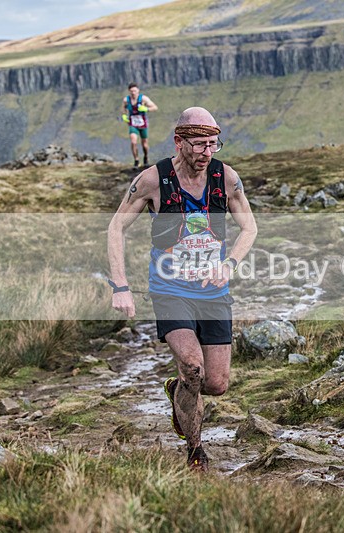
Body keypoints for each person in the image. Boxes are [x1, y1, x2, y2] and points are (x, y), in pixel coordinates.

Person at [108, 107, 257, 471]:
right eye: (200, 145)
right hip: (170, 289)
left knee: (217, 383)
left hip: (213, 293)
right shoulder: (152, 180)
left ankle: (178, 391)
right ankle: (195, 451)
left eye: (213, 144)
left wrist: (229, 264)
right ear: (179, 141)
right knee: (193, 367)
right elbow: (116, 227)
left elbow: (249, 228)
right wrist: (120, 285)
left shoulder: (226, 177)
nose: (207, 152)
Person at [121, 82, 158, 168]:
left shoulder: (143, 99)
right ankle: (136, 160)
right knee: (133, 141)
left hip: (143, 123)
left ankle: (145, 157)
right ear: (129, 91)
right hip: (133, 124)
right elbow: (123, 108)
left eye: (134, 91)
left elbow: (155, 107)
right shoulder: (126, 100)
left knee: (144, 144)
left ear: (138, 90)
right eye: (131, 91)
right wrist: (124, 116)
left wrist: (146, 108)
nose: (133, 93)